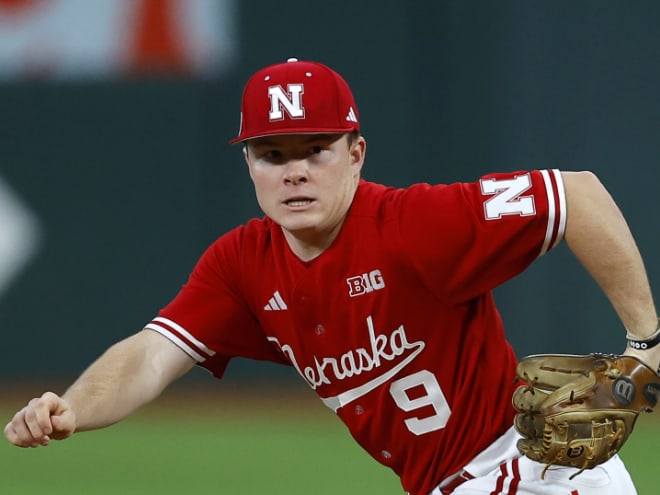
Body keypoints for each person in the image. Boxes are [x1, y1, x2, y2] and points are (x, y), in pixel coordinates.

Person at [4, 57, 658, 495]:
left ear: (355, 153)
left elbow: (577, 195)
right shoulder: (242, 265)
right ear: (249, 166)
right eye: (272, 153)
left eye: (315, 149)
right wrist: (72, 407)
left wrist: (645, 344)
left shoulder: (415, 224)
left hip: (535, 472)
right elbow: (151, 353)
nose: (294, 170)